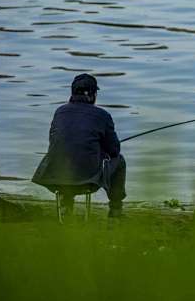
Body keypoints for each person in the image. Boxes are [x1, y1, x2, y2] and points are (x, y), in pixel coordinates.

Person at [32, 73, 126, 218]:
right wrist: (101, 150)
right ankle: (116, 210)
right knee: (119, 161)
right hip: (88, 182)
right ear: (93, 94)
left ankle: (66, 204)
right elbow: (114, 150)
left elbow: (54, 143)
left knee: (65, 154)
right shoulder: (102, 115)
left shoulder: (60, 112)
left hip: (55, 179)